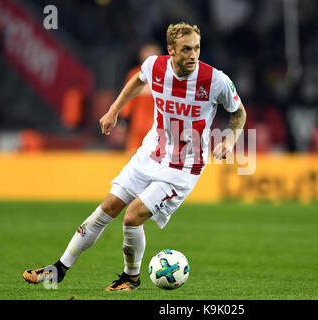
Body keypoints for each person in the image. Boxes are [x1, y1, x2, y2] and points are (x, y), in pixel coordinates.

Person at [23, 22, 247, 291]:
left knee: (132, 216)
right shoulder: (155, 66)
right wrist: (114, 110)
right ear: (171, 50)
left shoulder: (215, 80)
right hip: (150, 154)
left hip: (183, 167)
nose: (193, 55)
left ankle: (131, 277)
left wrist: (230, 140)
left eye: (197, 48)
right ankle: (57, 270)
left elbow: (239, 112)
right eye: (186, 49)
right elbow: (138, 79)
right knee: (106, 209)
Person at [120, 43, 162, 151]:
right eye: (147, 54)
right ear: (141, 56)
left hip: (157, 128)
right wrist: (123, 120)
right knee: (133, 157)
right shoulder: (134, 75)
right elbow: (127, 99)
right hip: (137, 127)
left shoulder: (165, 76)